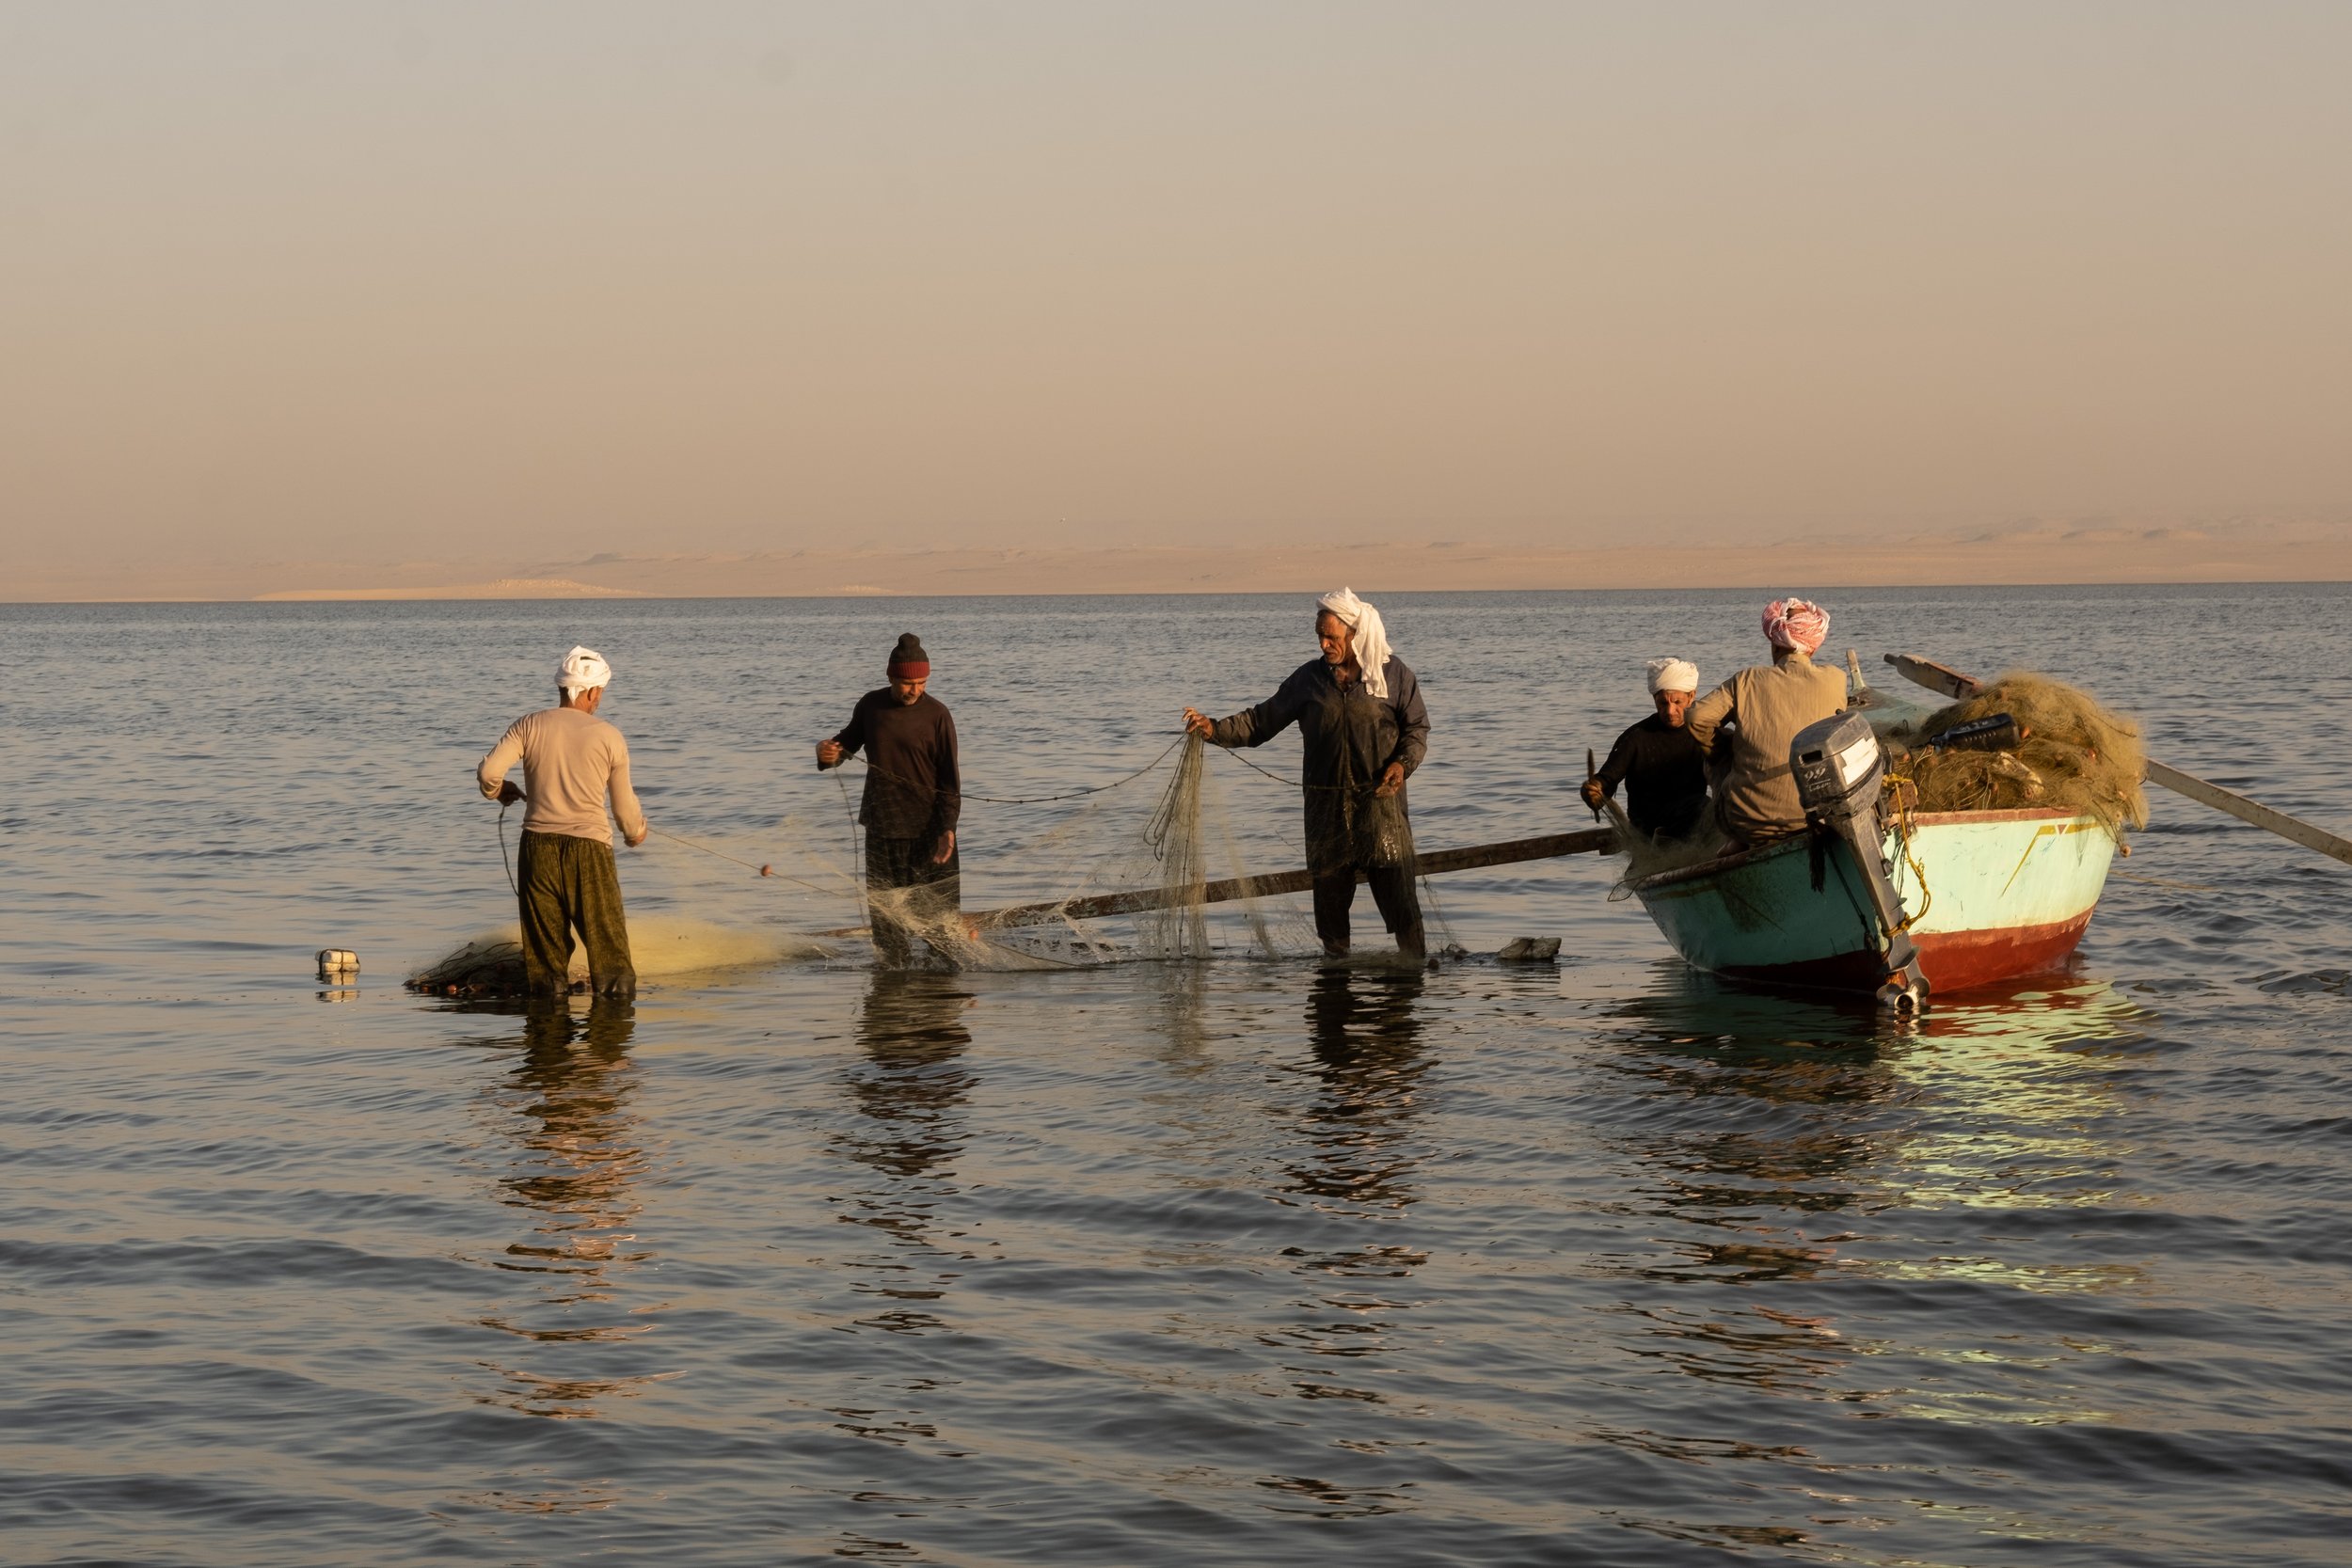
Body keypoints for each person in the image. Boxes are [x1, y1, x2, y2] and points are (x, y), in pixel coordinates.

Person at [1184, 588, 1429, 961]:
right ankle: (1334, 984)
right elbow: (1259, 722)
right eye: (1320, 636)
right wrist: (1213, 729)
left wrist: (1401, 766)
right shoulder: (1308, 681)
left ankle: (1413, 976)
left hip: (1383, 810)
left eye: (1332, 636)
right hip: (1326, 812)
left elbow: (1416, 731)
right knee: (1331, 912)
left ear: (1354, 634)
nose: (1324, 643)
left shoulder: (1394, 676)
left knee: (1400, 903)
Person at [477, 645, 648, 997]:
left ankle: (547, 1044)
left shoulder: (528, 725)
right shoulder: (609, 736)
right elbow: (624, 810)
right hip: (590, 853)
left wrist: (498, 791)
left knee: (545, 960)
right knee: (610, 955)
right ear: (594, 692)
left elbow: (489, 771)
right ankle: (611, 1042)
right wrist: (635, 834)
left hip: (537, 850)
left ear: (561, 689)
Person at [818, 633, 963, 967]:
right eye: (907, 683)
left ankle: (940, 1004)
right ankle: (891, 1002)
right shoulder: (871, 706)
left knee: (939, 924)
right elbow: (844, 747)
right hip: (882, 826)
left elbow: (950, 781)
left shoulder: (938, 715)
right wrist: (826, 753)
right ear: (891, 677)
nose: (915, 690)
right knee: (888, 927)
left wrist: (947, 828)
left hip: (929, 832)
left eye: (921, 682)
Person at [1684, 597, 1849, 845]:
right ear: (1813, 647)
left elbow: (1696, 717)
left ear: (1774, 645)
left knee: (1720, 752)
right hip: (1814, 818)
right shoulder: (1836, 679)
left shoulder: (1747, 680)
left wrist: (1720, 749)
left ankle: (1734, 840)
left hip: (1745, 823)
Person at [1582, 657, 1710, 841]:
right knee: (1703, 806)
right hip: (1647, 828)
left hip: (1693, 821)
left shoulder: (1705, 734)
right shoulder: (1635, 738)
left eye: (1677, 702)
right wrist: (1592, 792)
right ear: (1654, 699)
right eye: (1663, 703)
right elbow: (1605, 782)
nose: (1669, 711)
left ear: (1691, 697)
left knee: (1710, 809)